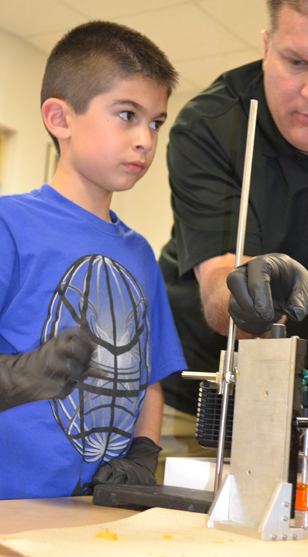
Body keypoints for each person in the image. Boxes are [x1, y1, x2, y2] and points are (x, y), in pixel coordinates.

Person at [158, 0, 308, 435]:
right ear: (267, 49)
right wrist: (246, 301)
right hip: (190, 391)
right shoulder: (210, 125)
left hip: (306, 396)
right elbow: (218, 287)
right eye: (296, 61)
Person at [0, 21, 187, 499]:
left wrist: (143, 455)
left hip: (96, 514)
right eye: (127, 114)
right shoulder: (9, 225)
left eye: (156, 122)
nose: (146, 138)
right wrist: (21, 377)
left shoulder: (140, 253)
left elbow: (149, 384)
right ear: (60, 118)